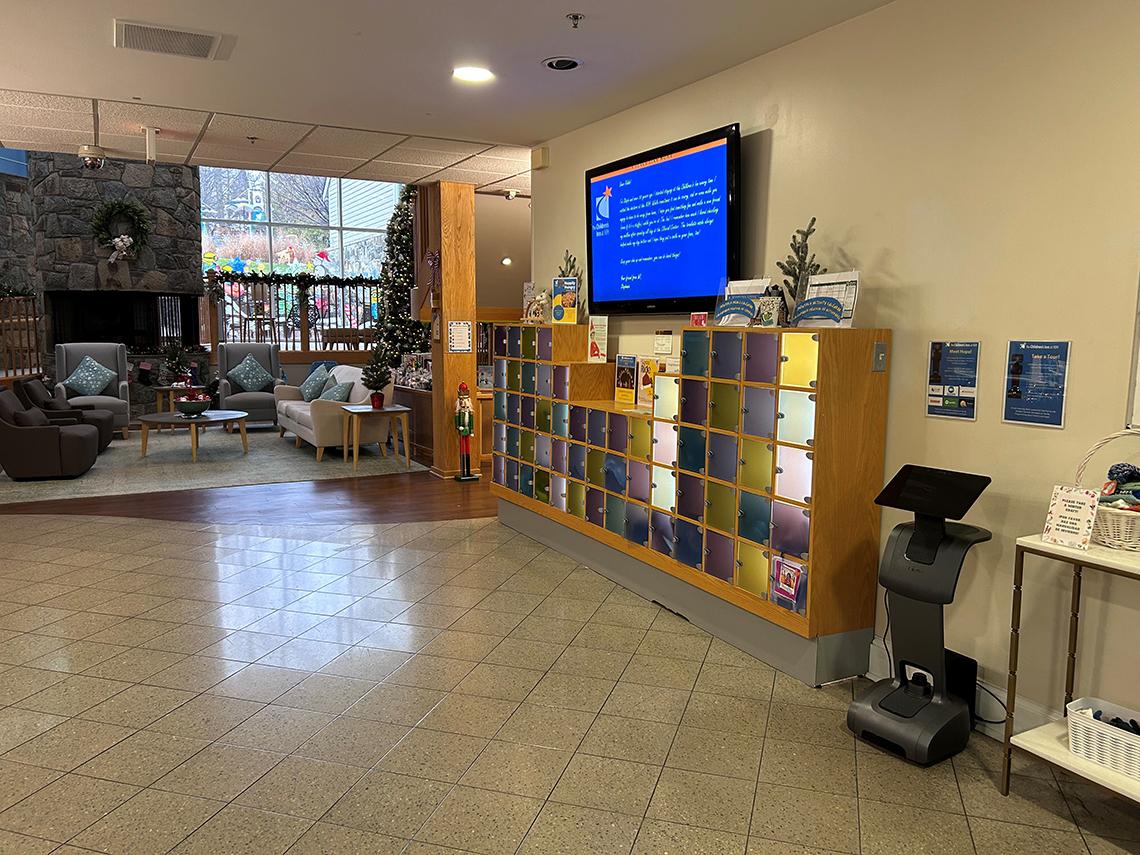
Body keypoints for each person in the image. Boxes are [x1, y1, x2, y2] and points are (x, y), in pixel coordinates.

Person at [454, 382, 478, 480]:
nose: (464, 404)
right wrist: (458, 426)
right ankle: (463, 471)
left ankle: (468, 471)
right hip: (462, 430)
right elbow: (456, 420)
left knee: (468, 448)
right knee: (462, 448)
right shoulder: (459, 412)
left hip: (468, 430)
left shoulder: (470, 412)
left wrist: (472, 430)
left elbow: (471, 421)